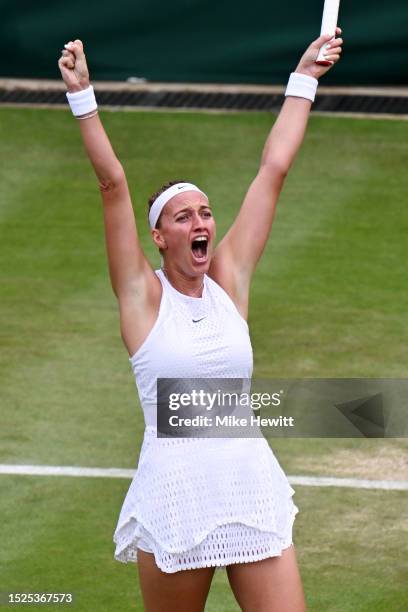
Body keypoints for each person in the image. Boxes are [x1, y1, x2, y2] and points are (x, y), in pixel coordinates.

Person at [58, 28, 343, 612]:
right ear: (160, 237)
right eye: (184, 216)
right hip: (177, 493)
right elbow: (112, 184)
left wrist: (304, 80)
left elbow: (273, 170)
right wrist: (83, 96)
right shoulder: (141, 297)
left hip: (249, 483)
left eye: (206, 213)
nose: (201, 223)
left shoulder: (230, 281)